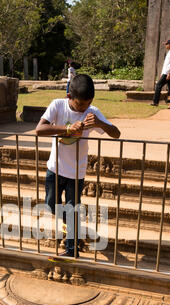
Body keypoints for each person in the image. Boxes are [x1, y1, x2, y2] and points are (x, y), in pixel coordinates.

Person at [35, 74, 121, 257]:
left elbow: (116, 134)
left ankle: (71, 250)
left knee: (72, 209)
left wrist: (99, 123)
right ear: (69, 97)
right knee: (51, 205)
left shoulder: (93, 112)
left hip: (77, 172)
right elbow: (39, 130)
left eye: (88, 103)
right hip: (54, 168)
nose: (84, 108)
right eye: (80, 104)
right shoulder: (57, 105)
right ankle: (76, 229)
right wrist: (67, 129)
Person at [151, 38, 170, 109]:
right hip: (169, 73)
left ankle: (155, 102)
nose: (165, 45)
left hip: (168, 73)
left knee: (158, 85)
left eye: (166, 44)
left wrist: (169, 73)